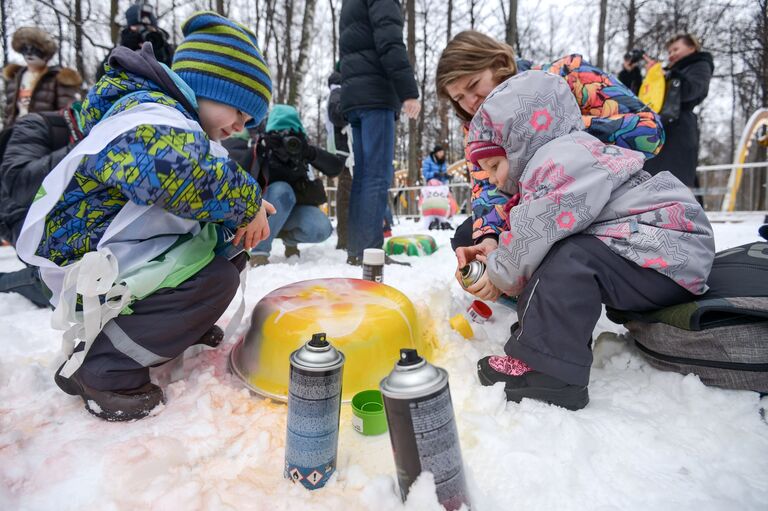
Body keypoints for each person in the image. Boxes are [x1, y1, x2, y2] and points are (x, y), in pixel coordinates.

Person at [16, 11, 274, 422]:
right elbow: (171, 170)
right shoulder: (151, 114)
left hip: (114, 255)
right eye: (241, 112)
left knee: (226, 250)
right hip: (87, 263)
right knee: (216, 279)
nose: (241, 127)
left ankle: (168, 327)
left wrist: (235, 219)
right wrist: (245, 200)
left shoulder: (170, 118)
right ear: (209, 86)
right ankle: (103, 368)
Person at [458, 71, 714, 410]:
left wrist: (498, 271)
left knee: (570, 259)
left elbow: (535, 230)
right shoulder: (566, 156)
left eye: (493, 165)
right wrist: (500, 250)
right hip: (658, 253)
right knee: (563, 254)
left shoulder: (560, 161)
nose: (491, 178)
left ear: (521, 143)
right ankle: (544, 342)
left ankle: (551, 372)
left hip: (665, 251)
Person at [435, 30, 665, 253]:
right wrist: (488, 237)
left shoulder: (567, 76)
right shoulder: (478, 129)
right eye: (458, 98)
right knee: (469, 237)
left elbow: (651, 132)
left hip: (605, 196)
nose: (470, 102)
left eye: (473, 85)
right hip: (536, 210)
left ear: (499, 63)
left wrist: (560, 127)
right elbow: (487, 185)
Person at [340, 0, 421, 266]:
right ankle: (370, 252)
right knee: (376, 176)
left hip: (355, 95)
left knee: (363, 176)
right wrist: (408, 91)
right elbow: (389, 41)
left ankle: (357, 250)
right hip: (375, 96)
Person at [0, 105, 84, 307]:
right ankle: (6, 283)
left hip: (64, 210)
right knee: (68, 286)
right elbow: (19, 183)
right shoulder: (35, 123)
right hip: (18, 212)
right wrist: (84, 149)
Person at [248, 104, 343, 265]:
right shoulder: (263, 148)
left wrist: (309, 152)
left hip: (292, 212)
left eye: (292, 132)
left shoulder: (301, 149)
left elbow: (335, 168)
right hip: (263, 211)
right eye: (280, 132)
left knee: (322, 227)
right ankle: (259, 252)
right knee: (282, 190)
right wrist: (266, 149)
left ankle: (290, 241)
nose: (288, 140)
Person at [643, 33, 714, 187]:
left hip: (679, 132)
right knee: (650, 182)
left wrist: (669, 75)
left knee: (673, 184)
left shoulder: (700, 65)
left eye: (676, 49)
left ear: (692, 47)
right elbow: (645, 98)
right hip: (659, 130)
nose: (672, 54)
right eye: (669, 52)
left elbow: (692, 91)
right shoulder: (669, 71)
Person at [3, 27, 82, 127]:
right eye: (25, 48)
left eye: (35, 49)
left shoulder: (58, 78)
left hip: (44, 134)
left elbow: (67, 114)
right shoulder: (15, 78)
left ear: (46, 53)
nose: (29, 53)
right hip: (14, 132)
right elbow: (8, 113)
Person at [95, 1, 174, 80]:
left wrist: (160, 49)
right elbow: (100, 78)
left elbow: (176, 76)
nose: (144, 32)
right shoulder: (120, 49)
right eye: (138, 27)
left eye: (149, 28)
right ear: (129, 29)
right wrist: (124, 49)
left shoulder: (166, 49)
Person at [326, 65, 353, 251]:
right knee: (345, 194)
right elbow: (336, 115)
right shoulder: (338, 91)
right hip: (344, 153)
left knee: (346, 193)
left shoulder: (339, 91)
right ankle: (344, 239)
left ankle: (346, 237)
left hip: (345, 151)